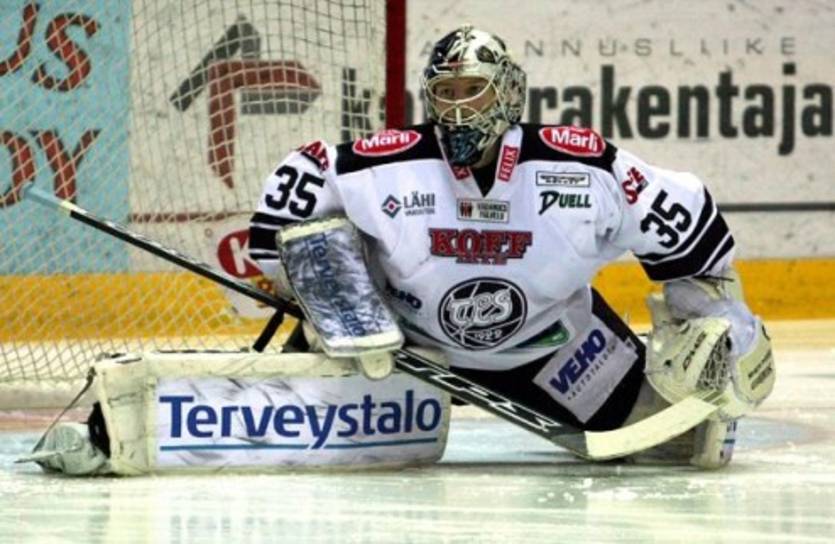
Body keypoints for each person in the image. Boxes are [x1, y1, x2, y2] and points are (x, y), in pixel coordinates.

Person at [248, 25, 775, 468]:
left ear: (508, 91)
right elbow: (298, 194)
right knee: (280, 445)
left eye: (473, 89)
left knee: (676, 445)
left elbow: (690, 233)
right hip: (407, 354)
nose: (458, 107)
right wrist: (335, 304)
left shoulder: (583, 168)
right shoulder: (386, 166)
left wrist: (721, 314)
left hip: (559, 349)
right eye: (446, 91)